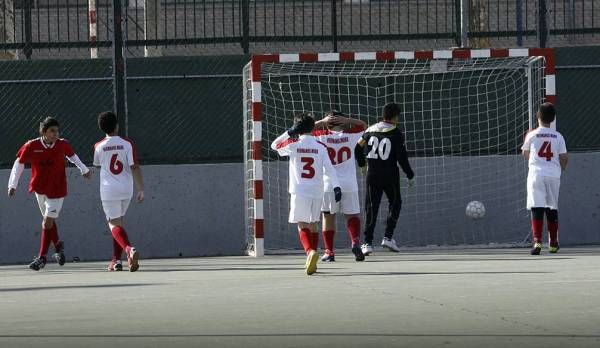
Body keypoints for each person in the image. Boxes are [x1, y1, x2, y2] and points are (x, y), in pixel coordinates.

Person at [7, 117, 91, 271]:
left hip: (57, 190)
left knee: (46, 222)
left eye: (57, 131)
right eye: (52, 131)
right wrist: (12, 184)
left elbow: (73, 156)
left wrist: (84, 169)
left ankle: (42, 257)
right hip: (40, 189)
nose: (55, 133)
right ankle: (58, 246)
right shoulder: (31, 145)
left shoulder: (63, 144)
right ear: (44, 132)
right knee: (49, 223)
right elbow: (19, 163)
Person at [271, 112, 341, 275]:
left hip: (300, 190)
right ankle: (313, 262)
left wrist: (289, 132)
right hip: (317, 191)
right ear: (312, 127)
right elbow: (330, 169)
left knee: (302, 223)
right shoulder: (320, 147)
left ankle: (310, 251)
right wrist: (336, 187)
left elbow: (274, 145)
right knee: (314, 223)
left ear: (297, 128)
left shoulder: (293, 144)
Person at [355, 102, 414, 256]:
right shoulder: (396, 133)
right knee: (395, 203)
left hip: (372, 174)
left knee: (371, 207)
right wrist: (409, 174)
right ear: (395, 117)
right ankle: (388, 237)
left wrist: (362, 165)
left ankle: (367, 243)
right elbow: (402, 158)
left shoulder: (369, 131)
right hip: (390, 175)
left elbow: (357, 148)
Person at [313, 111, 366, 262]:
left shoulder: (320, 135)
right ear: (342, 122)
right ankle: (355, 242)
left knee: (328, 217)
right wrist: (348, 119)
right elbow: (364, 126)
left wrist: (322, 121)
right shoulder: (351, 135)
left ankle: (329, 252)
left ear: (328, 123)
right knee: (352, 215)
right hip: (349, 183)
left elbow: (305, 130)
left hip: (329, 183)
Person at [93, 111, 144, 271]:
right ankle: (116, 261)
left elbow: (98, 164)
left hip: (109, 190)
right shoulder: (127, 143)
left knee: (113, 224)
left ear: (102, 128)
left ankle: (128, 250)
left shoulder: (98, 146)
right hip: (126, 189)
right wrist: (141, 188)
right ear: (117, 125)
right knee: (119, 223)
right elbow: (134, 166)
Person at [521, 102, 568, 255]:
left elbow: (525, 153)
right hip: (553, 175)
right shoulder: (558, 136)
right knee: (552, 207)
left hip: (536, 174)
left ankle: (537, 242)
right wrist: (560, 169)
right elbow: (564, 157)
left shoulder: (532, 134)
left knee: (537, 207)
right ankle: (553, 243)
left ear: (537, 116)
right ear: (553, 119)